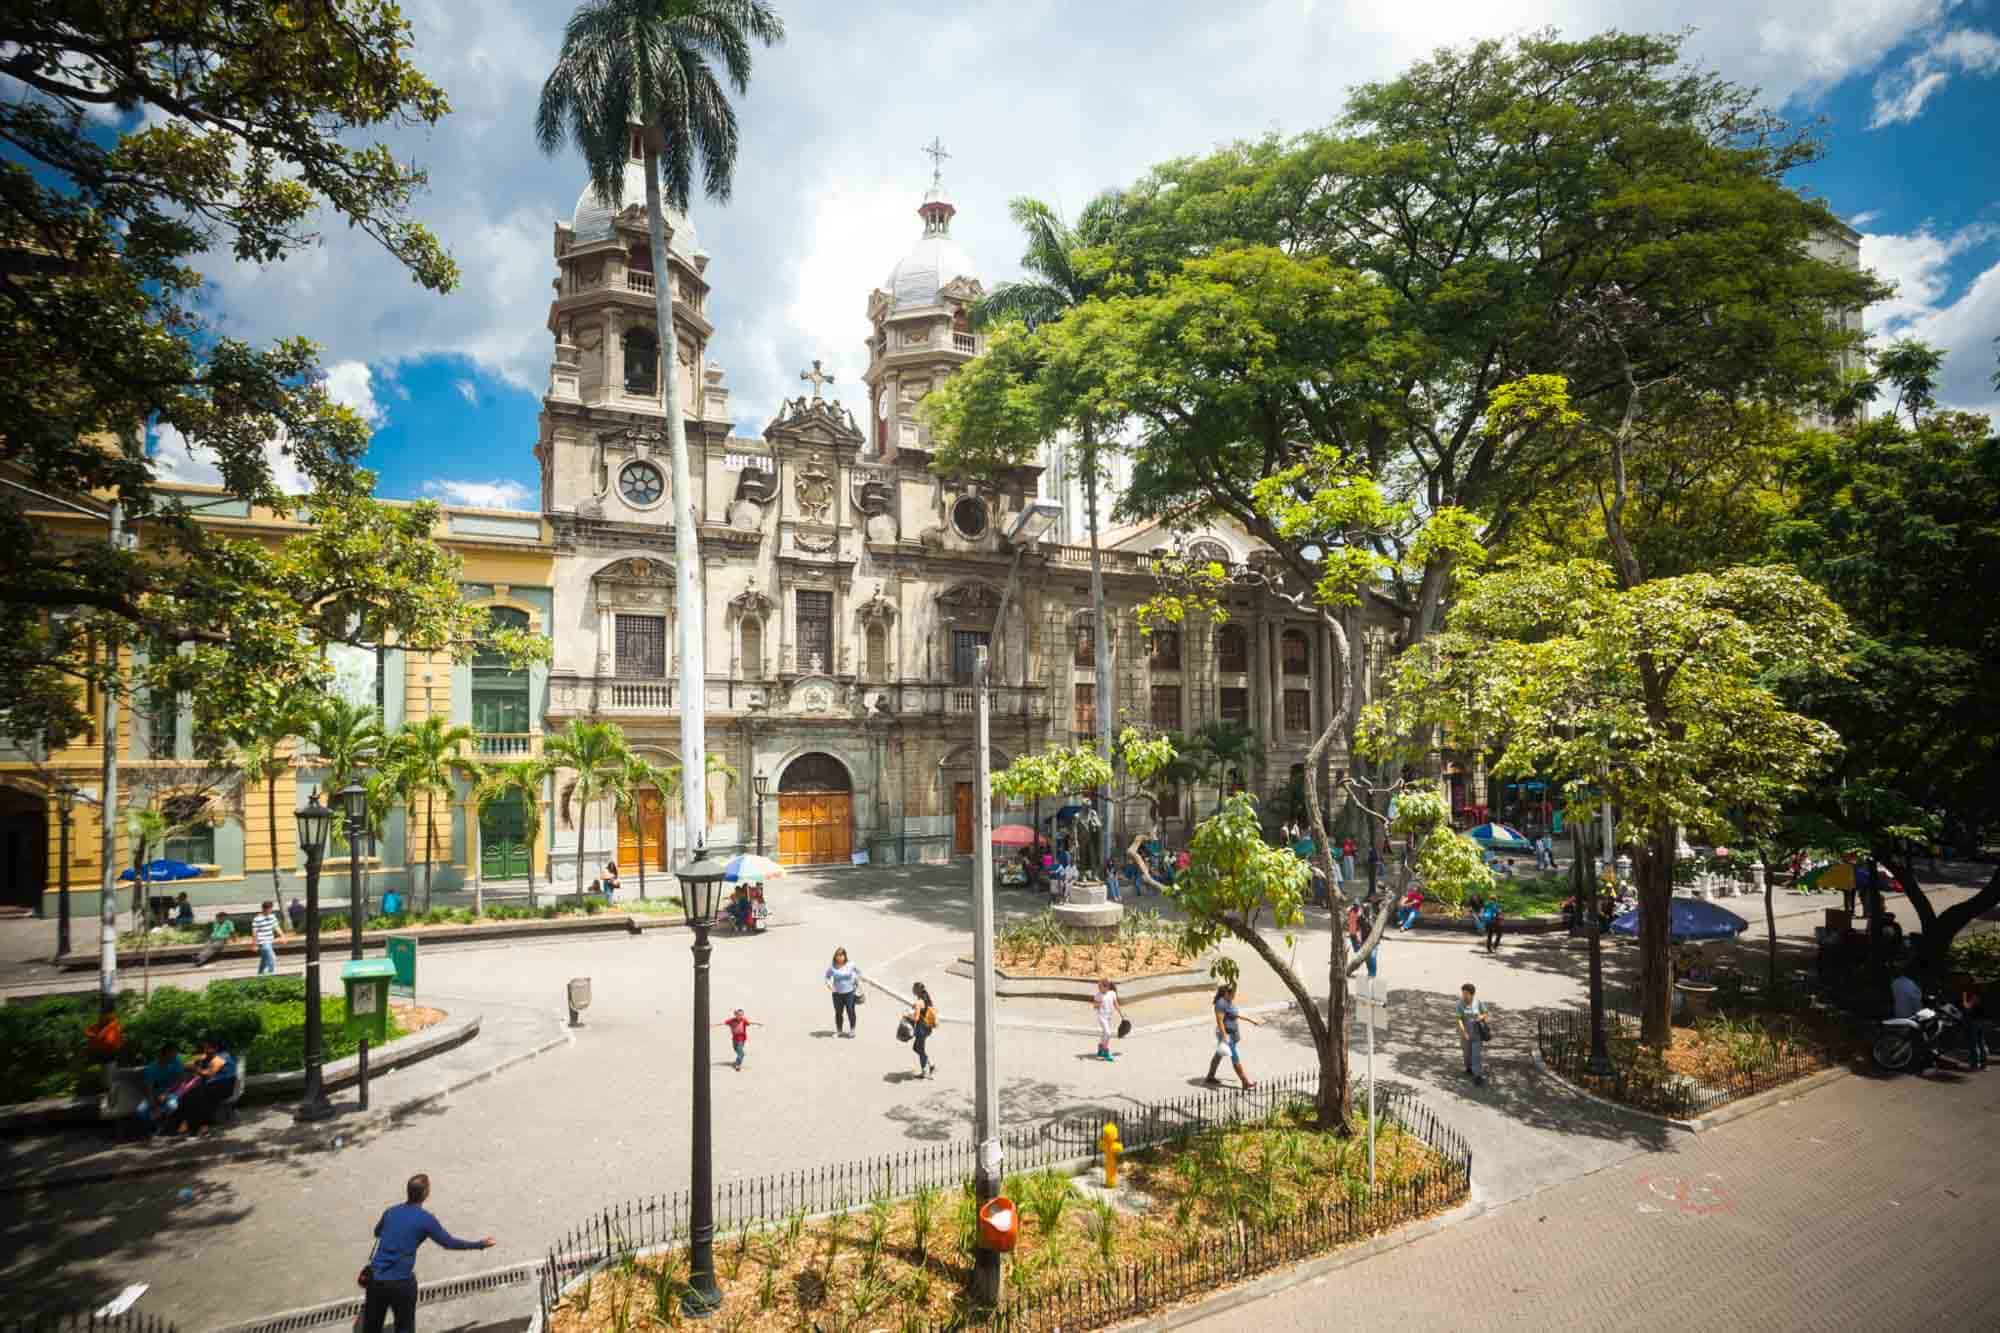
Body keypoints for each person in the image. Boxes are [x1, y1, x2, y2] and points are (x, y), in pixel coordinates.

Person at [362, 1173, 494, 1333]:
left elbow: (378, 1232)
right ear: (426, 1194)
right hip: (401, 1283)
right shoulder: (426, 1219)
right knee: (404, 1327)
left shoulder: (390, 1211)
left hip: (375, 1280)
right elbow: (449, 1243)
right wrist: (480, 1244)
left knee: (371, 1328)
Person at [175, 1039, 237, 1135]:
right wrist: (190, 1062)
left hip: (224, 1086)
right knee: (191, 1093)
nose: (204, 1051)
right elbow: (198, 1058)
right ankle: (190, 1124)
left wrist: (195, 1068)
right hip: (215, 1085)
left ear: (215, 1048)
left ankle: (200, 1125)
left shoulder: (221, 1058)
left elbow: (209, 1074)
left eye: (207, 1048)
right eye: (204, 1048)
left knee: (197, 1094)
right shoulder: (213, 1054)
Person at [1205, 983, 1261, 1089]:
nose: (1234, 996)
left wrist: (1252, 1020)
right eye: (1233, 994)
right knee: (1235, 1057)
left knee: (1218, 1055)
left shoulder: (1229, 1001)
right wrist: (1224, 1037)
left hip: (1232, 1034)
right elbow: (1220, 1022)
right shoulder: (1220, 1004)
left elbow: (1235, 1014)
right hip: (1227, 1035)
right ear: (1226, 993)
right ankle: (1245, 1082)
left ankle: (1210, 1076)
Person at [136, 1043, 183, 1135]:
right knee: (141, 1110)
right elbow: (149, 1088)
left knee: (172, 1105)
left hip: (171, 1092)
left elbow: (180, 1080)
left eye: (175, 1054)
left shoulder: (176, 1062)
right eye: (172, 1055)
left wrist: (166, 1093)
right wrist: (153, 1105)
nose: (175, 1057)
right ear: (164, 1055)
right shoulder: (152, 1068)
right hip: (154, 1094)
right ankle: (153, 1125)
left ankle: (163, 1123)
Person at [1455, 983, 1488, 1086]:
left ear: (1472, 994)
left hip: (1477, 1034)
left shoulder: (1478, 1003)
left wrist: (1481, 1017)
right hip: (1465, 1034)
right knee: (1467, 1054)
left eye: (1466, 993)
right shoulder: (1460, 1004)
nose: (1464, 995)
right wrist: (1463, 1032)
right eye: (1463, 993)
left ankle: (1478, 1076)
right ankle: (1468, 1068)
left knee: (1476, 1055)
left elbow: (1486, 1013)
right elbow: (1459, 1019)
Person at [825, 947, 862, 1037]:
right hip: (837, 994)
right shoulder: (832, 967)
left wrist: (856, 979)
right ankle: (839, 1030)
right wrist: (829, 985)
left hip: (849, 993)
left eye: (842, 955)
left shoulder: (851, 964)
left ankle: (852, 1030)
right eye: (838, 955)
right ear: (835, 956)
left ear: (845, 956)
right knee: (838, 1012)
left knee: (850, 1011)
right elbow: (827, 976)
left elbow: (859, 972)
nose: (840, 957)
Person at [906, 982, 938, 1079]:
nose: (912, 990)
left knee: (919, 1048)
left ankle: (924, 1071)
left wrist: (907, 1015)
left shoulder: (919, 1002)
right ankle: (931, 1064)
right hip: (927, 1027)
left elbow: (915, 1018)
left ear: (917, 990)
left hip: (921, 1029)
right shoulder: (926, 998)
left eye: (913, 988)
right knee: (917, 1048)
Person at [250, 900, 285, 975]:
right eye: (268, 909)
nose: (270, 911)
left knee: (264, 959)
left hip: (269, 940)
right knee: (272, 958)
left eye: (270, 909)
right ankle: (270, 974)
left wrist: (282, 936)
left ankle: (260, 973)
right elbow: (254, 932)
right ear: (263, 909)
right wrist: (254, 944)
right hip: (262, 942)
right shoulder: (257, 919)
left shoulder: (272, 916)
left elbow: (276, 927)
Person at [1093, 979, 1124, 1062]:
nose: (1099, 988)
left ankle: (1100, 1050)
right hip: (1102, 1017)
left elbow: (1116, 1004)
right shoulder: (1098, 995)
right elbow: (1094, 1006)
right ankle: (1106, 1051)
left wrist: (1121, 1014)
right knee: (1108, 1033)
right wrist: (1098, 1004)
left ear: (1106, 987)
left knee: (1104, 1034)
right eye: (1098, 987)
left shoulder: (1112, 994)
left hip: (1109, 1017)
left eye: (1100, 987)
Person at [1961, 980, 1987, 1071]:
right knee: (1981, 1043)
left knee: (1973, 1043)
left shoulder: (1975, 996)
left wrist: (1964, 998)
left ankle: (1974, 1065)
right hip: (1982, 1021)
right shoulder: (1984, 995)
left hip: (1974, 1022)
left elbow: (1967, 1007)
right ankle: (1984, 1064)